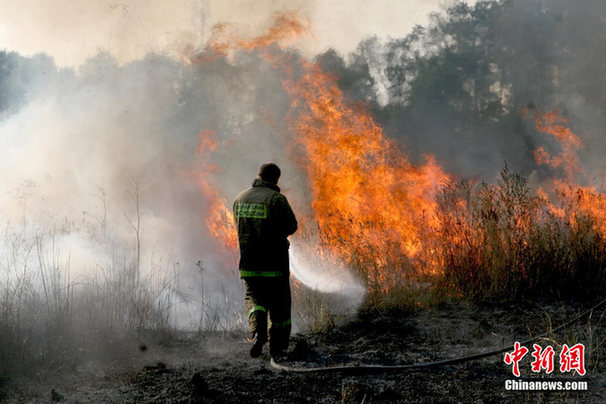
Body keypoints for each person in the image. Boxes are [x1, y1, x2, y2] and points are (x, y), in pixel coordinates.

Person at [233, 162, 298, 358]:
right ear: (276, 179)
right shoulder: (276, 199)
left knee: (254, 299)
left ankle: (258, 334)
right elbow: (291, 227)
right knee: (279, 303)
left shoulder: (240, 198)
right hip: (274, 263)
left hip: (249, 263)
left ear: (258, 175)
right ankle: (277, 346)